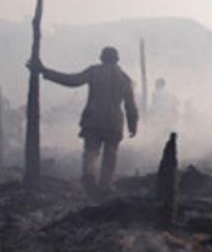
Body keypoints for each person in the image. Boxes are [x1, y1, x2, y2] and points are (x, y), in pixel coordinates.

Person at [29, 46, 138, 194]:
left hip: (93, 120)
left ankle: (89, 179)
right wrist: (133, 125)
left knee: (91, 151)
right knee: (110, 155)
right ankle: (105, 185)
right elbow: (130, 105)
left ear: (101, 58)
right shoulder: (125, 79)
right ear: (117, 60)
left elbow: (72, 80)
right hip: (114, 123)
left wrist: (45, 71)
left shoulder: (95, 72)